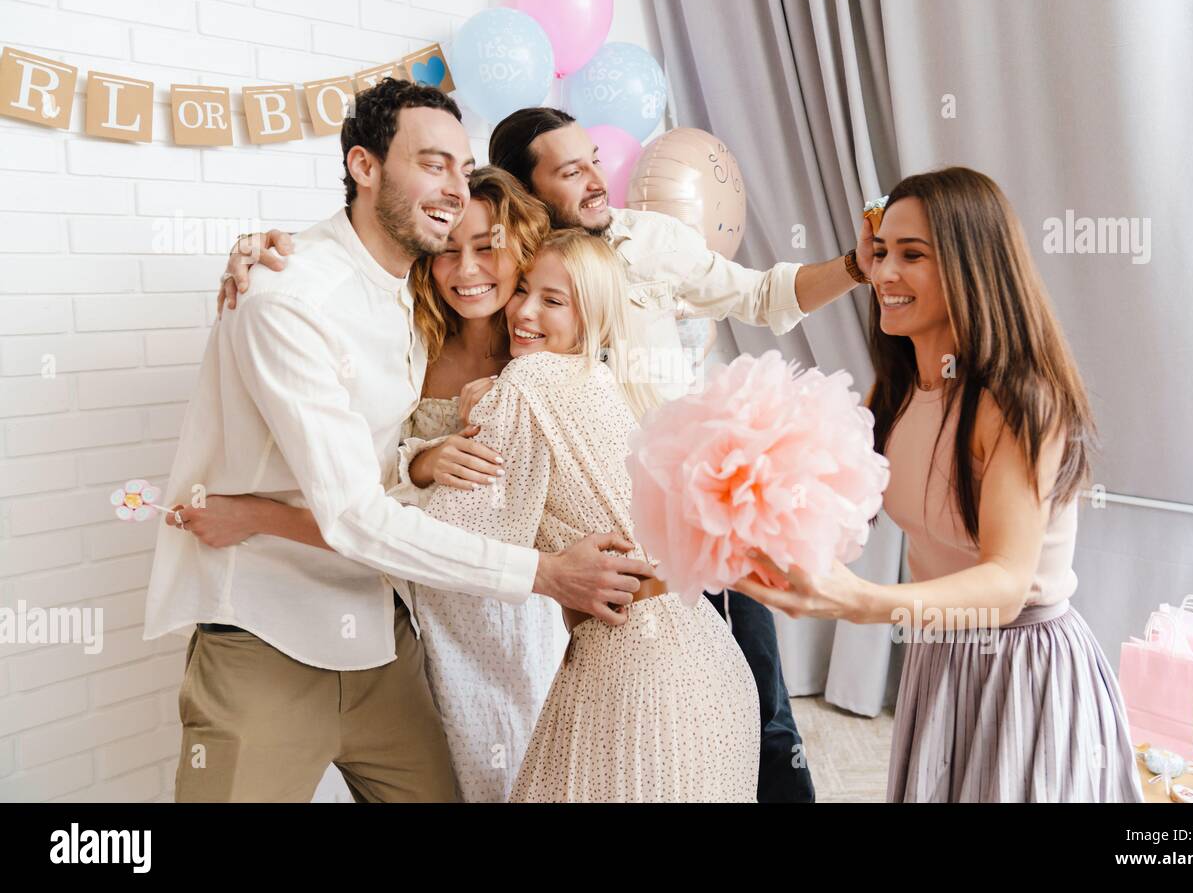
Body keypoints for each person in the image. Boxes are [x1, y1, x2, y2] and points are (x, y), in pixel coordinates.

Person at [219, 107, 878, 802]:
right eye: (572, 169)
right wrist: (274, 256)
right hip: (480, 601)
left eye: (594, 158)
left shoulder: (566, 316)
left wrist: (259, 516)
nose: (598, 180)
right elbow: (377, 466)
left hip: (605, 575)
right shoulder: (421, 328)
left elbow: (757, 293)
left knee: (744, 730)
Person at [146, 78, 652, 803]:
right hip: (267, 632)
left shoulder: (419, 294)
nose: (454, 184)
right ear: (365, 166)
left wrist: (415, 464)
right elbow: (356, 512)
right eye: (432, 161)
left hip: (387, 633)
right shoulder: (288, 298)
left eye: (461, 163)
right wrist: (543, 571)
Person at [190, 229, 761, 802]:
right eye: (526, 292)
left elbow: (422, 545)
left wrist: (257, 516)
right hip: (701, 658)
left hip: (636, 671)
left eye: (553, 300)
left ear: (593, 317)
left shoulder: (529, 380)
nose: (525, 310)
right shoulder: (606, 381)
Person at [734, 167, 1144, 802]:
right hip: (941, 654)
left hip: (1019, 666)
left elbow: (1006, 584)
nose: (884, 275)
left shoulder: (1018, 401)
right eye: (881, 253)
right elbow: (828, 511)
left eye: (912, 255)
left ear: (971, 266)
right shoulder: (898, 391)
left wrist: (863, 602)